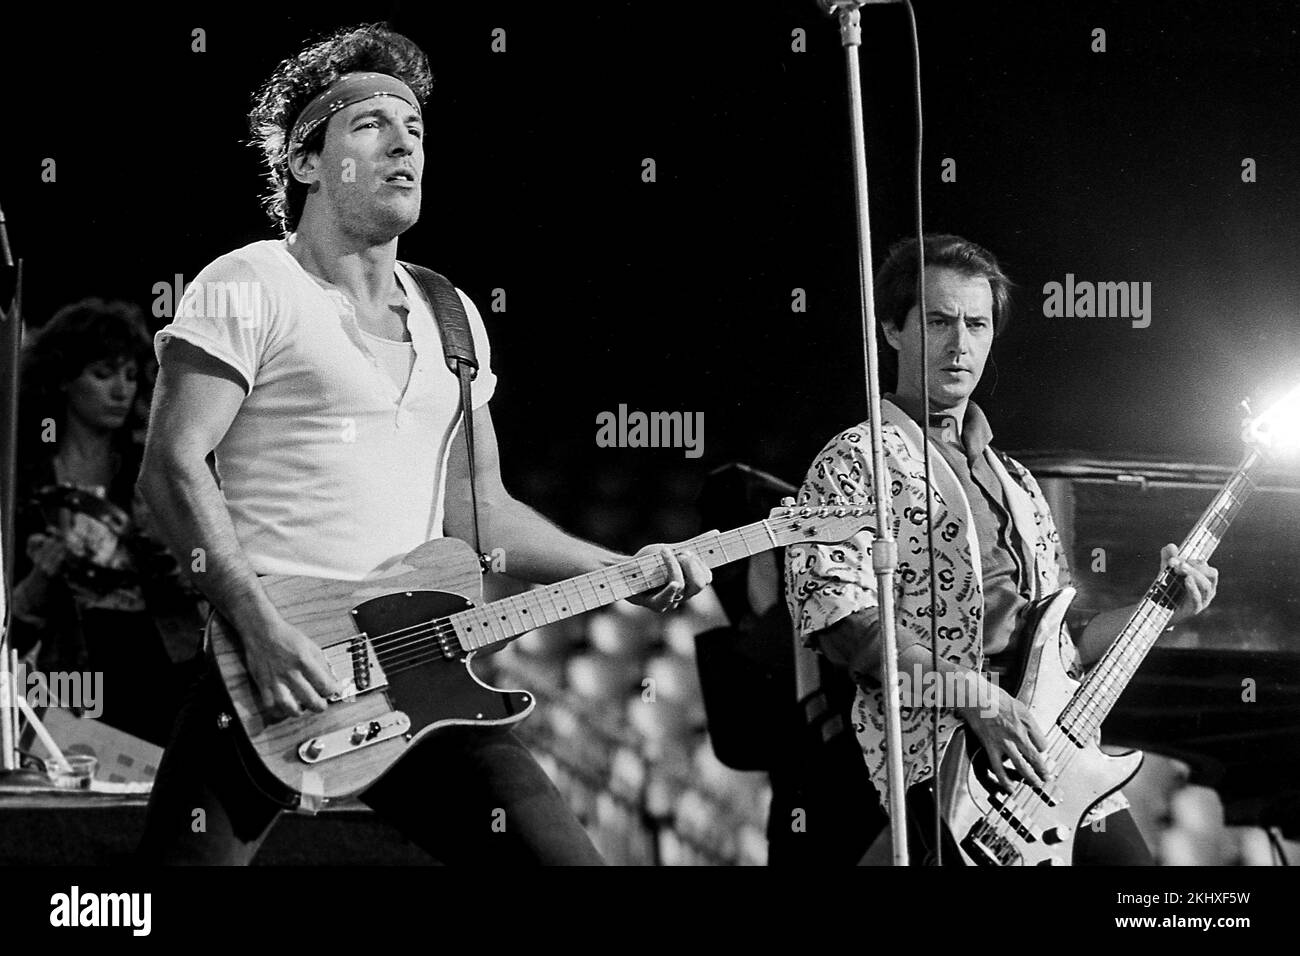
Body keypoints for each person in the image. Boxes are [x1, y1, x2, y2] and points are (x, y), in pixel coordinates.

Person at [134, 23, 709, 866]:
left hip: (418, 672)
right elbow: (170, 467)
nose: (405, 142)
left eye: (416, 129)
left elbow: (483, 518)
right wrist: (257, 625)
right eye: (370, 125)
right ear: (305, 165)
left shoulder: (452, 314)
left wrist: (624, 571)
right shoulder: (251, 283)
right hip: (268, 664)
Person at [783, 234, 1218, 865]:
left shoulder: (1017, 482)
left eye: (977, 323)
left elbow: (1064, 643)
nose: (960, 343)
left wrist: (1162, 612)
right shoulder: (853, 460)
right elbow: (842, 625)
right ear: (891, 330)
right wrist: (979, 701)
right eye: (938, 320)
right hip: (940, 758)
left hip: (1049, 753)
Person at [10, 299, 200, 745]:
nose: (121, 391)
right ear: (63, 378)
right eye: (103, 374)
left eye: (132, 376)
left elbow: (198, 571)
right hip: (66, 661)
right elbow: (15, 611)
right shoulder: (24, 473)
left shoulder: (152, 466)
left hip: (156, 659)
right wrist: (43, 572)